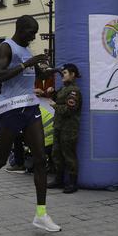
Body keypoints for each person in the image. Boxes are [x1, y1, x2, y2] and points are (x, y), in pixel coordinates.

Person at [0, 15, 61, 232]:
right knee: (2, 158)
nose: (33, 37)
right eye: (30, 32)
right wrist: (26, 63)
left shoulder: (27, 49)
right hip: (10, 108)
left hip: (30, 107)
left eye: (35, 33)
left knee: (41, 158)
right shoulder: (7, 47)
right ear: (20, 29)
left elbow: (35, 74)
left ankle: (41, 214)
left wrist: (51, 70)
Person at [46, 64, 82, 194]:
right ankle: (59, 179)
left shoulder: (74, 91)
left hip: (69, 128)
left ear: (72, 75)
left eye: (65, 73)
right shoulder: (64, 89)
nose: (63, 75)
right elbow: (59, 100)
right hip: (59, 126)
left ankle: (72, 183)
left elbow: (69, 110)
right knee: (56, 153)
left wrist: (55, 106)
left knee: (69, 155)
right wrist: (52, 93)